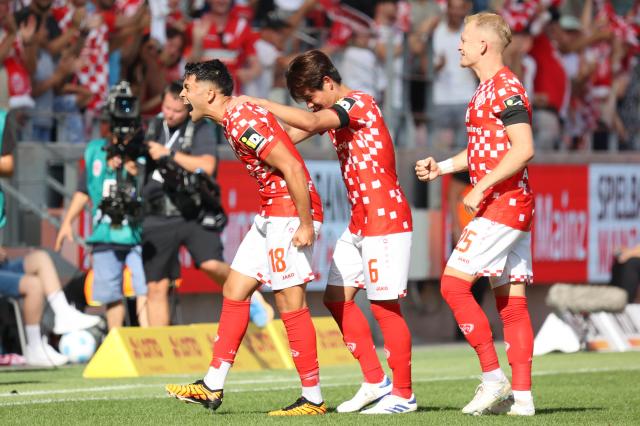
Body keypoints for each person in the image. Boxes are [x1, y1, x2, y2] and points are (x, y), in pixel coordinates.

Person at [233, 49, 417, 414]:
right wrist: (245, 131)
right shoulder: (332, 112)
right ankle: (374, 381)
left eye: (312, 97)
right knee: (336, 298)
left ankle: (404, 394)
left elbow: (312, 124)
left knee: (384, 306)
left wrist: (258, 102)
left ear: (329, 83)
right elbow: (287, 138)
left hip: (386, 217)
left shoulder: (359, 103)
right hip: (361, 221)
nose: (311, 106)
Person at [165, 60, 326, 416]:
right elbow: (287, 141)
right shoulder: (236, 117)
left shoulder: (242, 120)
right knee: (235, 288)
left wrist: (303, 223)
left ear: (209, 93)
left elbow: (293, 167)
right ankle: (212, 385)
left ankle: (313, 398)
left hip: (288, 214)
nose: (182, 95)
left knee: (289, 302)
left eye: (187, 87)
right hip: (271, 212)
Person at [415, 12, 536, 416]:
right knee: (512, 304)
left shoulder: (506, 88)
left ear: (483, 44)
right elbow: (487, 149)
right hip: (508, 205)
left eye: (465, 38)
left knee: (452, 285)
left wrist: (481, 186)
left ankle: (492, 378)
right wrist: (445, 168)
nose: (459, 44)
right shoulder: (485, 90)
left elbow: (523, 148)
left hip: (502, 205)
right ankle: (523, 399)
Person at [142, 81, 229, 327]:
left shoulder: (199, 127)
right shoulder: (152, 127)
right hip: (157, 215)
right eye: (166, 108)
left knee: (211, 264)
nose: (169, 114)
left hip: (192, 211)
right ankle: (160, 353)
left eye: (176, 111)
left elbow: (208, 165)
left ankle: (248, 294)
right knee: (156, 286)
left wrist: (168, 154)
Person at [55, 104, 148, 330]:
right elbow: (83, 190)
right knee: (110, 292)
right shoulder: (96, 150)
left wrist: (136, 170)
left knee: (146, 289)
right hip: (105, 232)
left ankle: (150, 339)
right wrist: (67, 223)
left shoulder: (144, 151)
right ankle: (115, 341)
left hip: (140, 232)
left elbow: (154, 189)